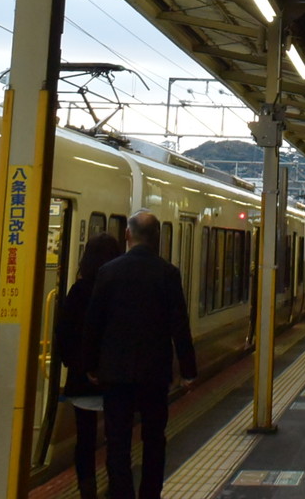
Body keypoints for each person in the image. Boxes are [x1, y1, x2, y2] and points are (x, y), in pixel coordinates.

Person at [83, 210, 197, 499]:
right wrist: (188, 371)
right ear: (157, 237)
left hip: (116, 373)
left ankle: (122, 493)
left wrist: (91, 365)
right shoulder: (168, 273)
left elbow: (94, 323)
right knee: (154, 439)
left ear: (127, 234)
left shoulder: (108, 272)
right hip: (154, 374)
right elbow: (179, 326)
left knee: (117, 441)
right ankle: (150, 494)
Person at [56, 233, 124, 499]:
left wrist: (79, 366)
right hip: (115, 380)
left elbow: (64, 335)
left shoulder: (78, 291)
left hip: (82, 382)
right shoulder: (120, 292)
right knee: (116, 438)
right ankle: (116, 487)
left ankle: (87, 490)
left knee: (84, 440)